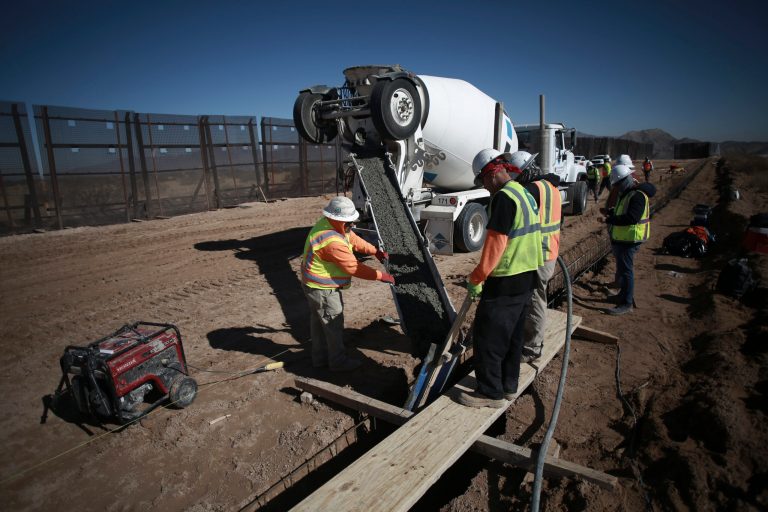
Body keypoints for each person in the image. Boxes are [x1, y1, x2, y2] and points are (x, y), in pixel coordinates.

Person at [458, 149, 543, 408]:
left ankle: (489, 393)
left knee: (488, 337)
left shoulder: (504, 199)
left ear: (493, 173)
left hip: (506, 279)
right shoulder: (524, 193)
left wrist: (477, 277)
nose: (484, 186)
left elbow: (495, 245)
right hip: (527, 275)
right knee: (514, 335)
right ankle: (508, 385)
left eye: (483, 180)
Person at [301, 196, 395, 371]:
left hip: (313, 285)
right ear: (339, 220)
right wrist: (381, 276)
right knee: (332, 324)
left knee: (319, 323)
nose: (351, 224)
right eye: (349, 222)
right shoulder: (332, 242)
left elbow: (352, 238)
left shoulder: (330, 224)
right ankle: (338, 362)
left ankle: (320, 359)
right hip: (323, 289)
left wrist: (375, 251)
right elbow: (353, 267)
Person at [508, 151, 563, 363]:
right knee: (537, 298)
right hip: (549, 251)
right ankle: (529, 339)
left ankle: (532, 348)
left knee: (534, 300)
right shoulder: (552, 188)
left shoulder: (531, 190)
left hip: (537, 255)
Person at [604, 165, 656, 315]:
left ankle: (627, 304)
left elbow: (632, 218)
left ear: (625, 180)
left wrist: (611, 219)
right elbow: (623, 211)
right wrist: (612, 213)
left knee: (626, 272)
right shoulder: (627, 193)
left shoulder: (637, 195)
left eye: (618, 184)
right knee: (622, 269)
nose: (617, 187)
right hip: (623, 238)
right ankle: (622, 296)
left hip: (631, 239)